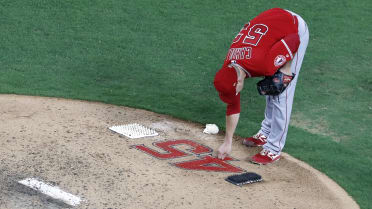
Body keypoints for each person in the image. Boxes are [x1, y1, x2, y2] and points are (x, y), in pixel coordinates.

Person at [214, 8, 309, 165]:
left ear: (238, 82)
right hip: (269, 29)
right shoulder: (229, 66)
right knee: (271, 83)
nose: (235, 95)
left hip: (292, 26)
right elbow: (232, 106)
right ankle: (265, 132)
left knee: (280, 91)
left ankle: (273, 149)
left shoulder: (263, 64)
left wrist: (285, 70)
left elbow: (293, 40)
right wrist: (227, 142)